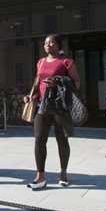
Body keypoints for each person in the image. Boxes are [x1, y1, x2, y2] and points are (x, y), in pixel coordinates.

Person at [24, 34, 80, 189]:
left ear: (58, 45)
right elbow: (37, 80)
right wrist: (30, 95)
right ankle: (40, 176)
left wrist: (58, 82)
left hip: (59, 107)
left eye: (51, 42)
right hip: (42, 106)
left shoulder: (66, 62)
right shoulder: (41, 62)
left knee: (62, 140)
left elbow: (77, 83)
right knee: (39, 140)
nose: (47, 44)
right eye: (45, 43)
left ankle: (63, 172)